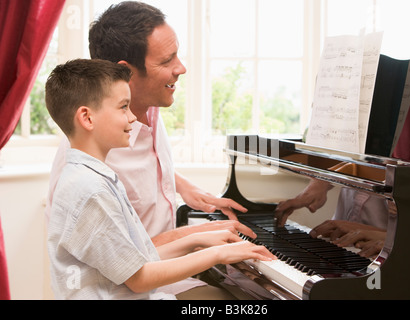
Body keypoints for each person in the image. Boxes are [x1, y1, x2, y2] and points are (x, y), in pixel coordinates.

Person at [45, 2, 255, 299]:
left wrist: (182, 185)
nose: (181, 68)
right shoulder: (97, 167)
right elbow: (134, 265)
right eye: (167, 60)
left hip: (159, 276)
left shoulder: (143, 114)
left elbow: (143, 173)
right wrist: (203, 241)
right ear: (125, 72)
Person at [275, 162, 388, 258]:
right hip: (338, 244)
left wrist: (378, 234)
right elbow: (364, 164)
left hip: (380, 255)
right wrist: (322, 181)